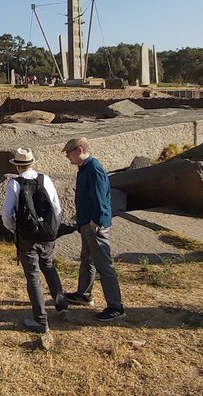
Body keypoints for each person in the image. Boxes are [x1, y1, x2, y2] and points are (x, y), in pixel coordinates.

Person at [0, 147, 67, 333]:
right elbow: (56, 208)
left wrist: (14, 229)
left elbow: (6, 214)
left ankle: (40, 319)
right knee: (49, 267)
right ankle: (62, 305)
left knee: (33, 276)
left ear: (18, 166)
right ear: (32, 163)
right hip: (47, 234)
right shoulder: (46, 180)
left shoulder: (15, 184)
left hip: (26, 236)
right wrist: (52, 229)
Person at [62, 137, 127, 321]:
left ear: (80, 150)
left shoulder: (94, 169)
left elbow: (101, 200)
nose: (67, 156)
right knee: (87, 259)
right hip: (87, 223)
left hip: (95, 226)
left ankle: (116, 306)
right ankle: (84, 294)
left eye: (69, 152)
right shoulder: (84, 168)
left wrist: (95, 223)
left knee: (104, 266)